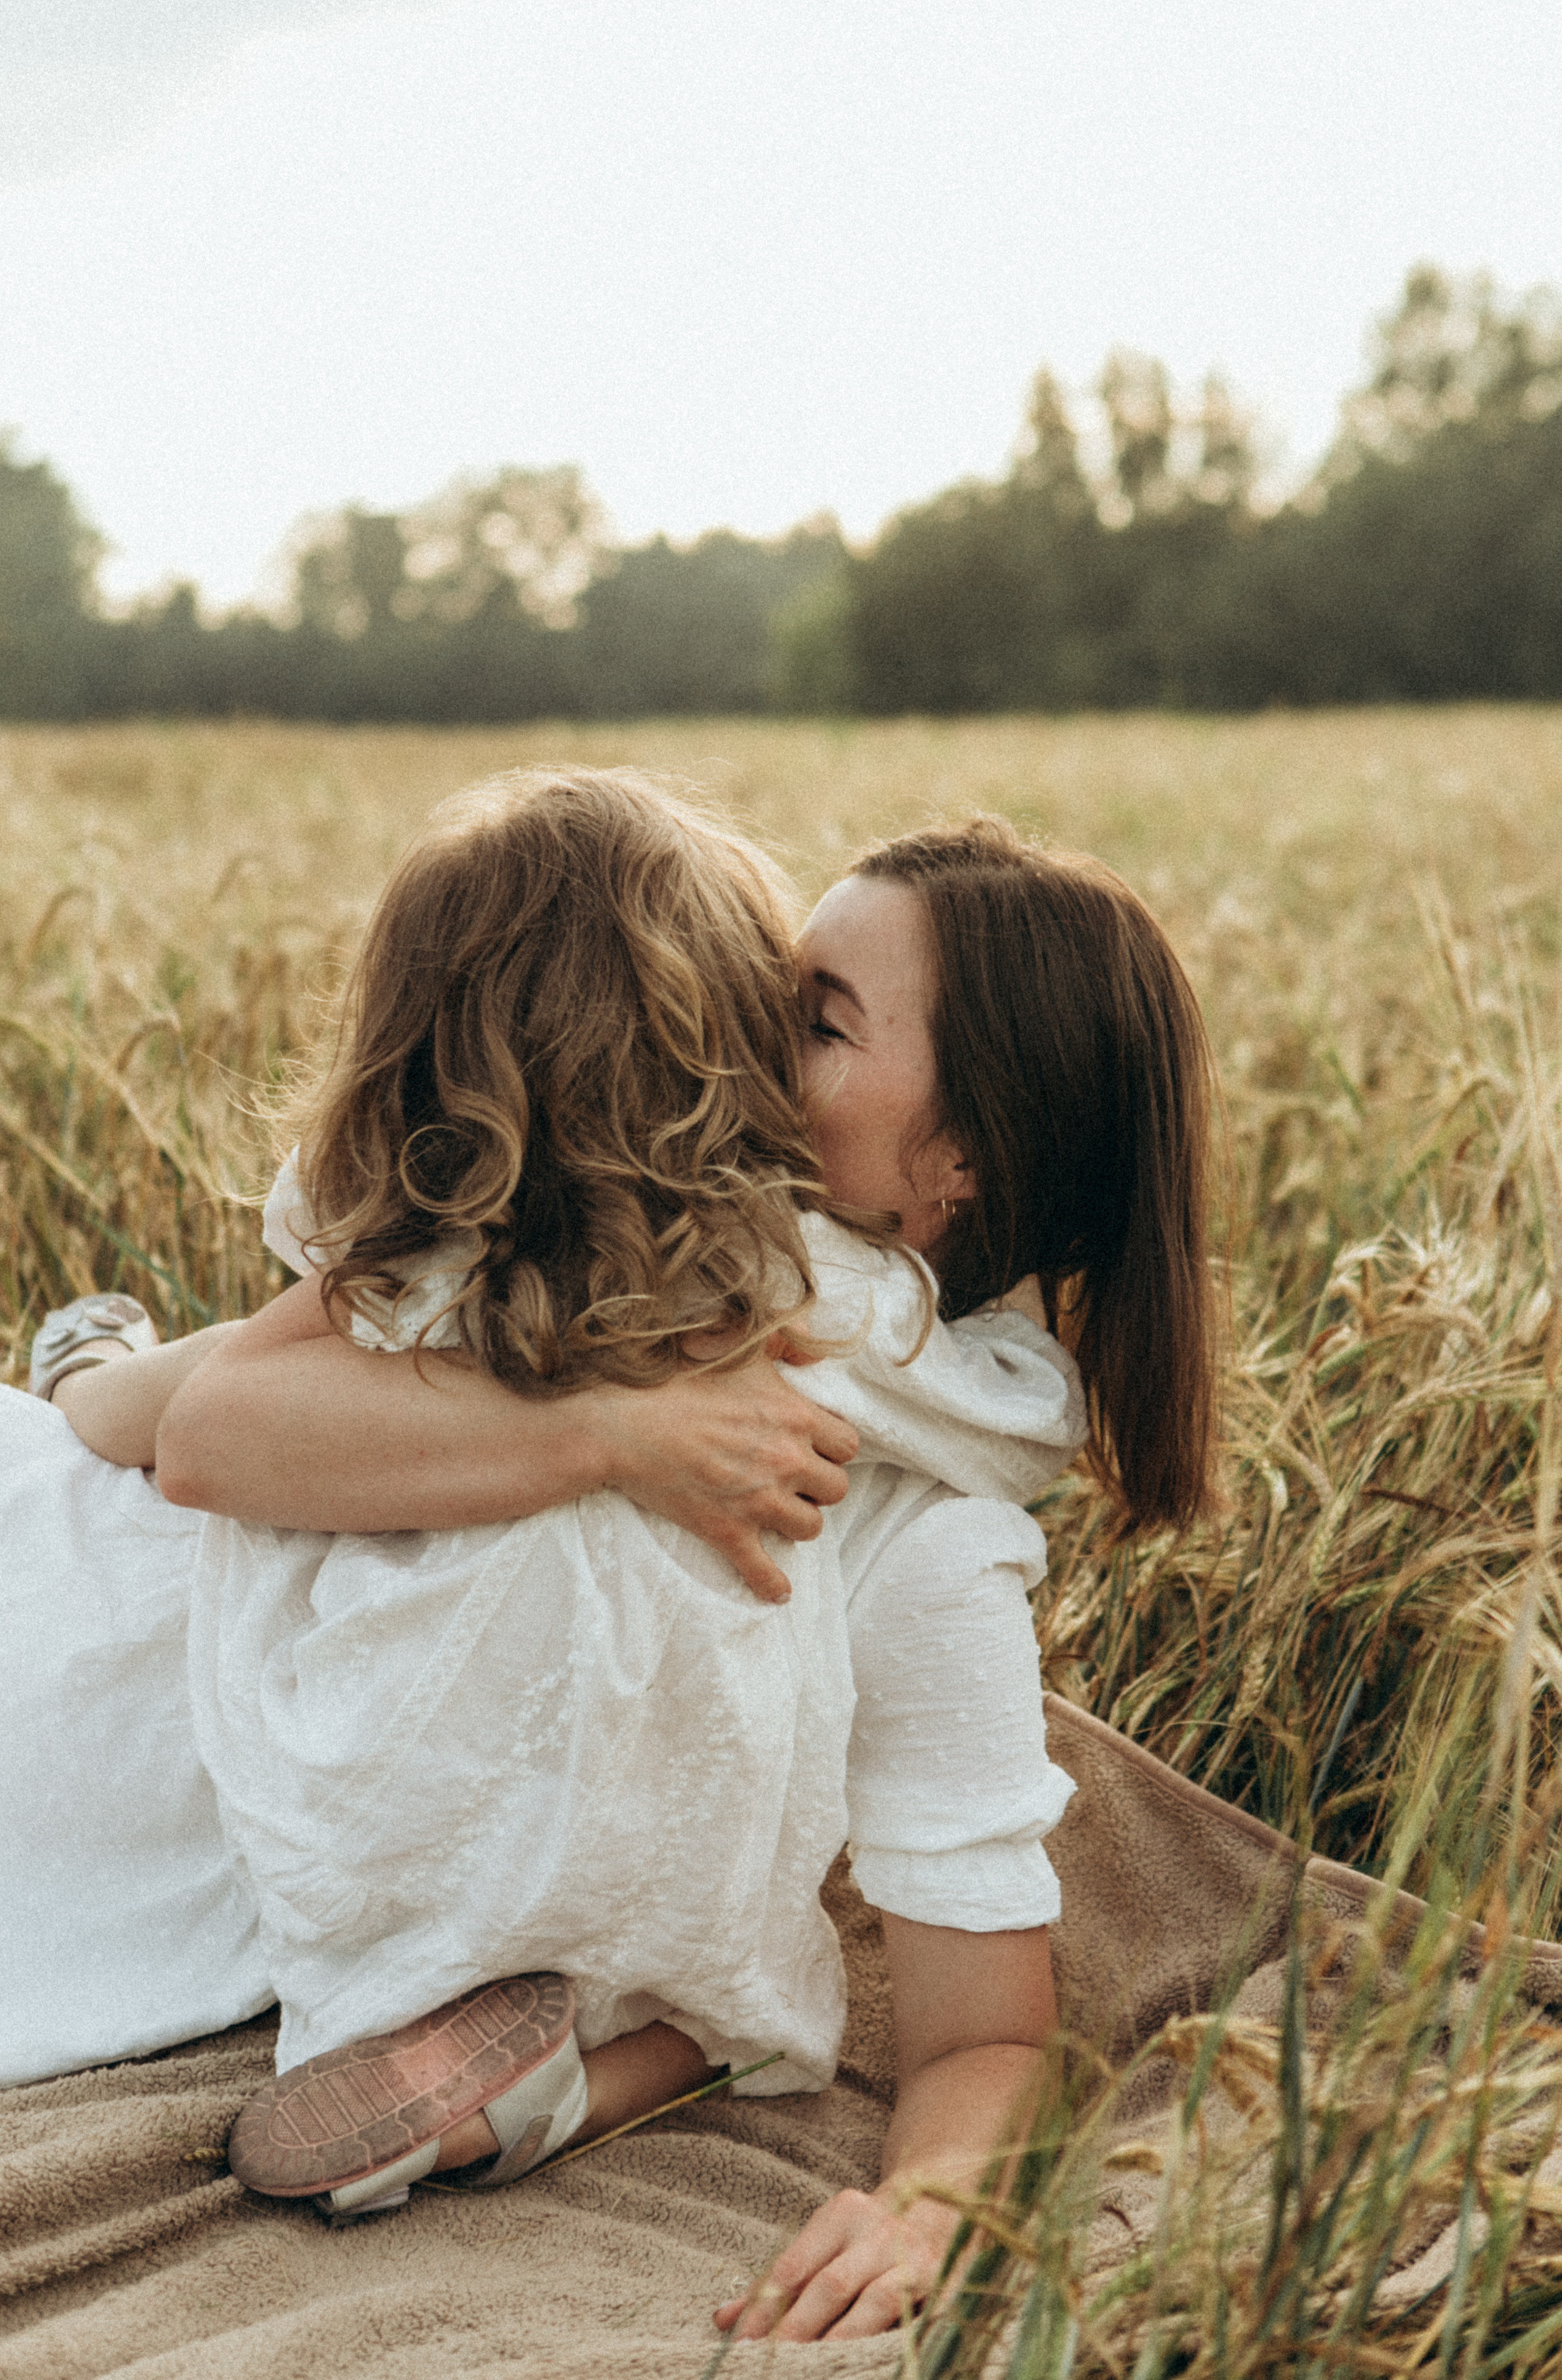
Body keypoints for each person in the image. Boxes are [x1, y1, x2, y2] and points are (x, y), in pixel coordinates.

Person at [10, 777, 1216, 2340]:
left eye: (816, 1019)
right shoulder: (602, 1261)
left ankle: (78, 1361)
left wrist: (926, 2207)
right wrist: (616, 1430)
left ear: (961, 1163)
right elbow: (215, 1430)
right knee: (106, 1415)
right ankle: (76, 1362)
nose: (728, 1035)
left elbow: (988, 2028)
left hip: (165, 1675)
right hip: (133, 1582)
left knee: (121, 1406)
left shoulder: (921, 1537)